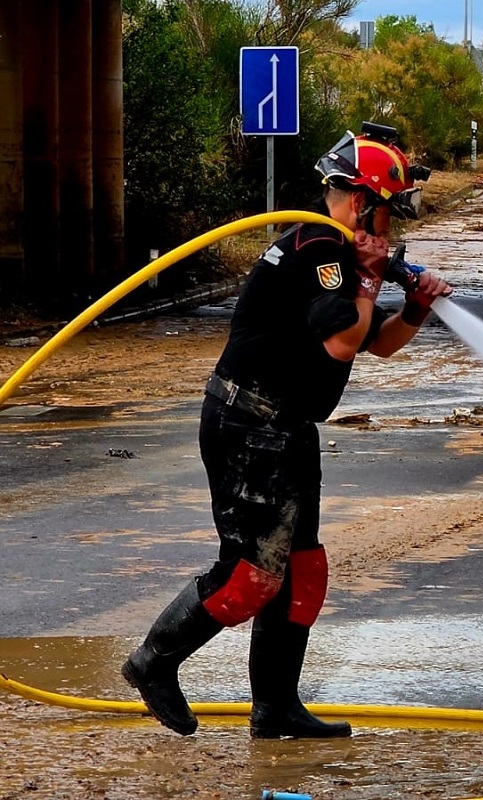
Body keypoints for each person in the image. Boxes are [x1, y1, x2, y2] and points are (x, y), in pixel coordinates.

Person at [121, 122, 452, 739]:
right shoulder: (321, 251)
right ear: (362, 202)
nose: (392, 232)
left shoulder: (337, 255)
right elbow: (343, 339)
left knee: (302, 570)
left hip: (287, 426)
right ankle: (154, 661)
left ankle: (275, 707)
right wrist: (374, 276)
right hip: (251, 423)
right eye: (388, 217)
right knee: (252, 574)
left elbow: (376, 343)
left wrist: (416, 307)